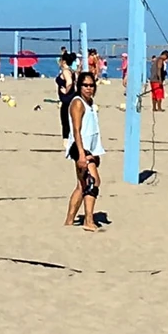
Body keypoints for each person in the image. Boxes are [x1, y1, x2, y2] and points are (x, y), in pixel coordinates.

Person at [65, 70, 105, 231]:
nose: (89, 88)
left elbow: (92, 129)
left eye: (91, 85)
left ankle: (69, 221)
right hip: (80, 148)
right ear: (79, 86)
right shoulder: (78, 103)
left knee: (82, 185)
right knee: (93, 182)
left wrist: (96, 153)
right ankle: (88, 220)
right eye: (85, 85)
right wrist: (82, 154)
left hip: (90, 148)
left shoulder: (90, 103)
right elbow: (76, 130)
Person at [55, 51, 78, 138]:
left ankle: (66, 140)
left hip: (67, 99)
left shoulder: (66, 71)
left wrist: (66, 91)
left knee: (65, 121)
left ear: (63, 61)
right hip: (70, 98)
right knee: (69, 120)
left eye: (60, 60)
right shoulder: (71, 71)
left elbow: (70, 82)